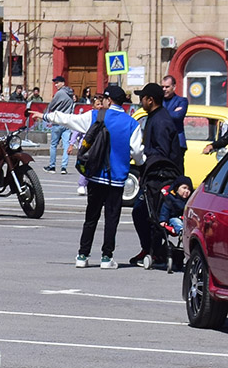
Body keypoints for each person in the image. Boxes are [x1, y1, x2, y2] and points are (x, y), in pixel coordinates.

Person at [46, 85, 138, 269]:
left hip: (96, 176)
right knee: (112, 218)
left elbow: (70, 120)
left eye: (103, 98)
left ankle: (82, 255)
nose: (101, 101)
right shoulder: (132, 123)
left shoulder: (96, 116)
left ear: (109, 100)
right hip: (117, 177)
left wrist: (46, 116)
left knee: (91, 216)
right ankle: (106, 257)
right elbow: (138, 152)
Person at [129, 82, 184, 266]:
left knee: (147, 214)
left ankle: (155, 251)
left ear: (150, 100)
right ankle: (150, 249)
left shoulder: (160, 121)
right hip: (154, 176)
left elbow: (162, 152)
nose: (140, 101)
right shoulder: (154, 116)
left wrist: (143, 156)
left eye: (142, 98)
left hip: (161, 178)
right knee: (143, 213)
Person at [43, 75, 75, 173]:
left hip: (58, 121)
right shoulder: (70, 93)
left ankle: (52, 166)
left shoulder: (59, 93)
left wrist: (47, 113)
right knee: (66, 145)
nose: (56, 85)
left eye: (57, 83)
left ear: (62, 83)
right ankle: (63, 167)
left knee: (53, 145)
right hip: (67, 122)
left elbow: (51, 105)